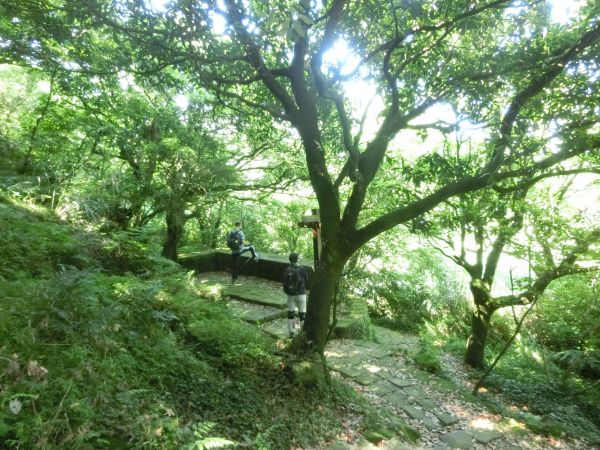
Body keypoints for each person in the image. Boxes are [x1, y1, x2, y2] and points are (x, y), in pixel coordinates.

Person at [282, 252, 309, 338]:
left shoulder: (287, 269)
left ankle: (291, 332)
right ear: (297, 259)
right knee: (302, 314)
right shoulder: (302, 269)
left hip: (290, 295)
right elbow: (307, 280)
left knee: (291, 312)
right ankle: (302, 332)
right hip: (301, 294)